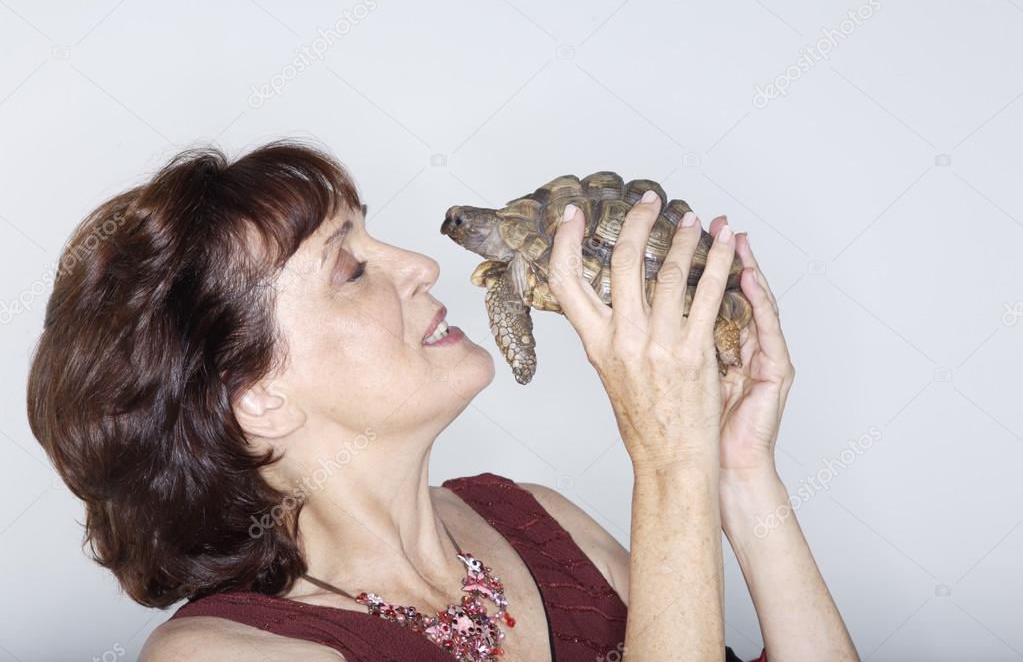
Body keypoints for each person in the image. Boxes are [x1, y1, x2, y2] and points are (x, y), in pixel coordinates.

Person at [27, 140, 859, 661]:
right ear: (256, 398)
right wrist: (669, 467)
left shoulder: (541, 521)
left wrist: (735, 471)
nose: (420, 264)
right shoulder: (222, 654)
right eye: (349, 267)